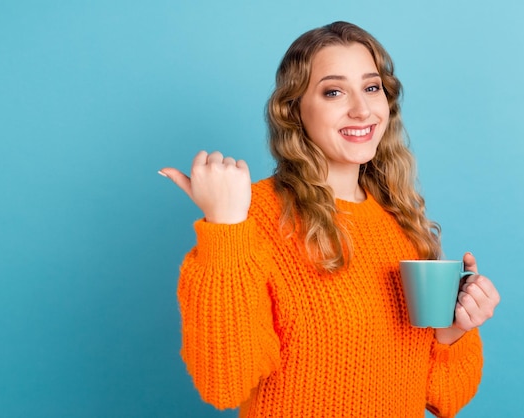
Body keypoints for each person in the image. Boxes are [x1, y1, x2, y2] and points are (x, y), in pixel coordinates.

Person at [159, 21, 500, 417]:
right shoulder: (252, 215)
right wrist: (224, 228)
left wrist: (453, 333)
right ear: (293, 110)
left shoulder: (401, 221)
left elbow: (445, 398)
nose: (361, 109)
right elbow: (225, 384)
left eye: (372, 88)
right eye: (334, 91)